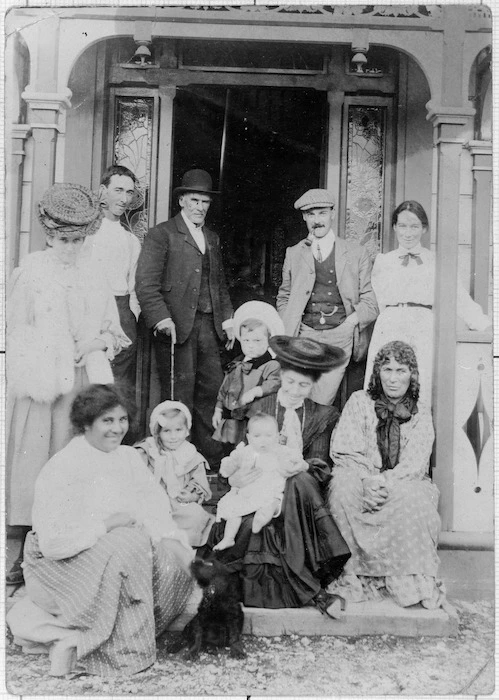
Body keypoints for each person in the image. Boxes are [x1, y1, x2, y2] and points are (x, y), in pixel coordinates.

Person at [6, 385, 194, 677]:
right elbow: (54, 544)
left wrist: (174, 544)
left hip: (120, 558)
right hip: (61, 565)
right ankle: (100, 648)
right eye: (107, 421)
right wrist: (108, 526)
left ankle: (81, 637)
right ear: (86, 424)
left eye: (122, 420)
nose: (117, 429)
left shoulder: (129, 458)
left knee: (173, 565)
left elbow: (154, 510)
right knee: (129, 546)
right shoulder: (64, 466)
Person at [6, 183, 130, 586]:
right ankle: (19, 551)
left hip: (82, 385)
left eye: (78, 240)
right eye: (63, 240)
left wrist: (98, 340)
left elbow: (115, 332)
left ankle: (65, 552)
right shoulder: (31, 273)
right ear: (49, 236)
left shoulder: (93, 275)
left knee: (74, 463)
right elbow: (15, 331)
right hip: (41, 384)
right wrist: (48, 350)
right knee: (34, 463)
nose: (70, 248)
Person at [205, 336, 351, 616]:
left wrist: (302, 466)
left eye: (304, 385)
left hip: (299, 497)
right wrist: (234, 479)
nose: (296, 390)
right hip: (256, 491)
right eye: (291, 382)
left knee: (299, 479)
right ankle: (314, 593)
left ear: (313, 385)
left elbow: (319, 467)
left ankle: (312, 590)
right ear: (281, 376)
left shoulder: (323, 415)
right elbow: (238, 456)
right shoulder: (260, 409)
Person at [329, 340, 446, 609]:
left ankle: (405, 581)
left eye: (401, 370)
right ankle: (353, 578)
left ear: (412, 374)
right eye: (387, 370)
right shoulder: (360, 401)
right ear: (377, 373)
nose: (393, 378)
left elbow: (416, 461)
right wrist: (367, 479)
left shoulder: (420, 411)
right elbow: (346, 449)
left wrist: (384, 481)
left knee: (415, 500)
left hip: (401, 480)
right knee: (343, 490)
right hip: (360, 475)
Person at [136, 169, 234, 470]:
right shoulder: (161, 234)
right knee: (178, 393)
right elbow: (146, 284)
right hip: (176, 329)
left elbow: (218, 285)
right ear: (181, 200)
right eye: (194, 200)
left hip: (208, 327)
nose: (200, 207)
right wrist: (161, 319)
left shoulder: (212, 238)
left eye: (205, 201)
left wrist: (228, 322)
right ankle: (174, 460)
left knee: (211, 391)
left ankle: (210, 459)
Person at [364, 200, 491, 402]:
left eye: (414, 226)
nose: (408, 233)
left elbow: (459, 297)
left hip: (422, 327)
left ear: (424, 229)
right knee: (387, 380)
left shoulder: (436, 261)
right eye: (403, 226)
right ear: (395, 227)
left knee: (419, 382)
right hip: (389, 326)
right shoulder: (384, 261)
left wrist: (484, 325)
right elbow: (376, 301)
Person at [277, 188, 378, 406]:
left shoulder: (355, 253)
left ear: (332, 213)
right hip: (304, 336)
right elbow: (284, 297)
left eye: (322, 213)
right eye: (311, 214)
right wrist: (290, 324)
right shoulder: (294, 253)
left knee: (322, 403)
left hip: (339, 337)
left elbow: (371, 302)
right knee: (298, 400)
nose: (317, 220)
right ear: (304, 217)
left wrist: (350, 323)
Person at [82, 165, 141, 392]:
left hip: (121, 310)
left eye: (129, 192)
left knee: (117, 386)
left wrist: (130, 317)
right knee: (91, 381)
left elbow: (133, 286)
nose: (124, 198)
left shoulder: (130, 240)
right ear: (102, 191)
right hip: (90, 311)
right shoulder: (86, 234)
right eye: (118, 190)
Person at [214, 413, 308, 551]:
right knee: (234, 510)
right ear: (249, 437)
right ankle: (229, 538)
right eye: (257, 436)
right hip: (248, 492)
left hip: (270, 490)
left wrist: (299, 464)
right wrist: (228, 469)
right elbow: (231, 464)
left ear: (277, 436)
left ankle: (261, 518)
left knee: (271, 503)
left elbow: (295, 459)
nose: (263, 441)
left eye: (268, 436)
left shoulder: (280, 451)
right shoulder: (245, 451)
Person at [135, 400, 214, 547]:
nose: (173, 436)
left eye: (178, 430)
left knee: (195, 515)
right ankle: (153, 542)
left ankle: (181, 547)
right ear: (157, 433)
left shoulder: (191, 456)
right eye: (166, 431)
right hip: (152, 500)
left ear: (187, 430)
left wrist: (192, 496)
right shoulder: (149, 450)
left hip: (178, 504)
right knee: (144, 518)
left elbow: (200, 484)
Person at [212, 300, 284, 448]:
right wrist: (218, 408)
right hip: (233, 416)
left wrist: (258, 390)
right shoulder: (237, 363)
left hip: (254, 416)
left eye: (257, 340)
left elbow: (274, 383)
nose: (251, 345)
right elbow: (225, 388)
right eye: (246, 340)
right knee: (231, 446)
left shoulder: (270, 365)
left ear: (268, 341)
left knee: (251, 446)